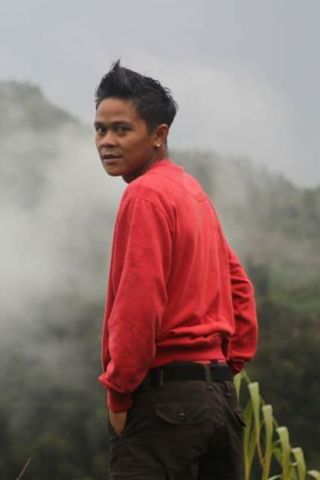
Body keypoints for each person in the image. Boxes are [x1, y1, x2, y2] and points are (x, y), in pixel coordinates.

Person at [94, 61, 259, 480]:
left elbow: (138, 306)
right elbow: (240, 288)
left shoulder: (144, 196)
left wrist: (119, 395)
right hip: (218, 403)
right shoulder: (189, 191)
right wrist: (222, 371)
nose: (107, 141)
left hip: (165, 405)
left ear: (159, 134)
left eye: (121, 130)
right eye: (100, 129)